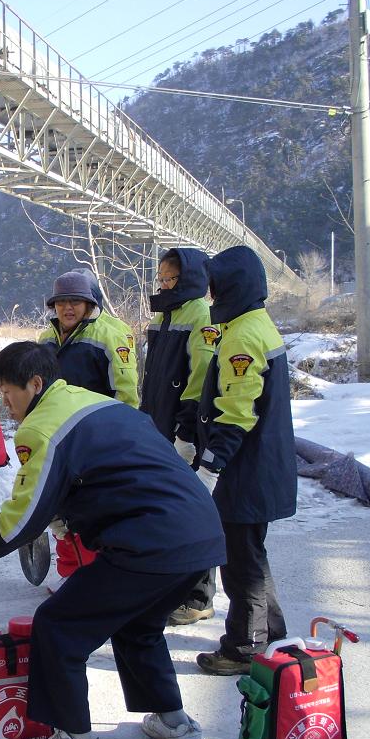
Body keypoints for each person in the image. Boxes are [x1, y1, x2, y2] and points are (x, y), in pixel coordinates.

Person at [0, 341, 225, 739]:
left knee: (59, 626)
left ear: (35, 384)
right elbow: (116, 471)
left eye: (8, 392)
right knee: (138, 625)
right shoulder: (95, 403)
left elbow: (22, 519)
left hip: (151, 542)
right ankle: (175, 723)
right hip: (201, 536)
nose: (5, 404)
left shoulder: (42, 428)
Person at [191, 246, 297, 677]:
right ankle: (270, 633)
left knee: (240, 564)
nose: (211, 294)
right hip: (261, 465)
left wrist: (211, 465)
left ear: (231, 286)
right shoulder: (254, 324)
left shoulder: (241, 336)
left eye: (215, 286)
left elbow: (237, 413)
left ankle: (244, 648)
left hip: (245, 470)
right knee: (251, 555)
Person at [37, 269, 139, 588]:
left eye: (75, 302)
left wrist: (121, 438)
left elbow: (126, 393)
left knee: (97, 507)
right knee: (61, 506)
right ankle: (71, 573)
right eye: (61, 302)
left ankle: (99, 577)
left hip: (99, 436)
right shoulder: (46, 339)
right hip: (59, 435)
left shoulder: (111, 334)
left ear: (89, 303)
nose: (67, 308)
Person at [139, 248, 221, 627]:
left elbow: (201, 377)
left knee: (193, 511)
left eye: (171, 278)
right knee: (167, 513)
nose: (165, 284)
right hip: (158, 429)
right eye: (162, 278)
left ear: (189, 278)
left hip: (183, 431)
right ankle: (172, 586)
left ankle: (198, 596)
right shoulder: (163, 316)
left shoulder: (201, 315)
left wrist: (186, 431)